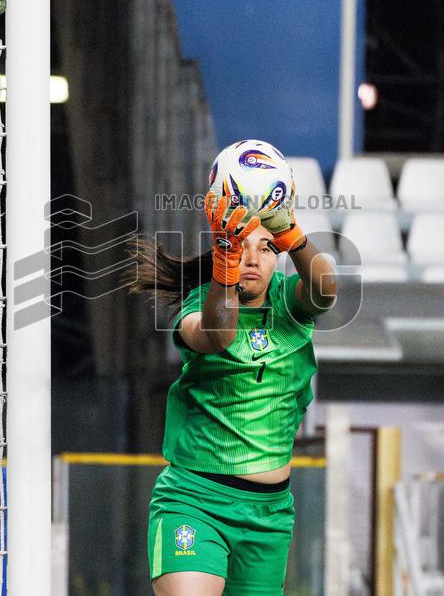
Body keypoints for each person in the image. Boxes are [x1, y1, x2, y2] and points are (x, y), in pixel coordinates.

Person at [126, 183, 337, 595]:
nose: (253, 260)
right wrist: (224, 265)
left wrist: (293, 234)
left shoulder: (289, 304)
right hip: (195, 499)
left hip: (269, 514)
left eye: (266, 248)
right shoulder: (202, 303)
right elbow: (217, 336)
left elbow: (326, 291)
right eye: (241, 248)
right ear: (224, 253)